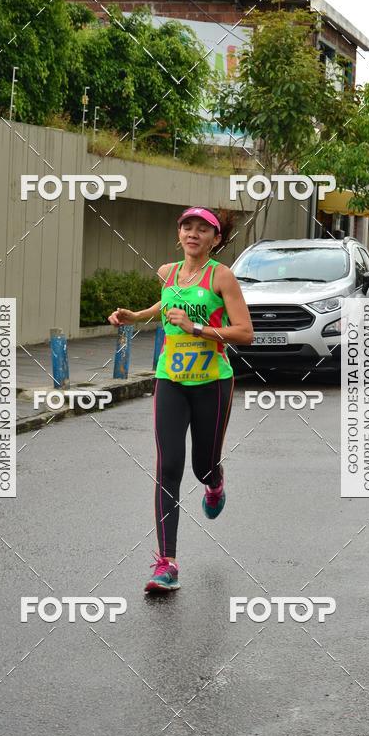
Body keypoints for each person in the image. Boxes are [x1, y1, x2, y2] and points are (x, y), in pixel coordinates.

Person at [108, 207, 254, 592]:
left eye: (202, 229)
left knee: (202, 466)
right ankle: (166, 563)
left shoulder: (221, 276)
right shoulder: (166, 272)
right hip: (170, 378)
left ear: (215, 239)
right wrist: (136, 315)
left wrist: (198, 328)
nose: (193, 233)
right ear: (179, 234)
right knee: (168, 465)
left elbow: (244, 333)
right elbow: (168, 305)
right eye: (186, 227)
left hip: (212, 383)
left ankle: (215, 482)